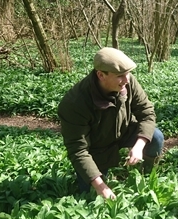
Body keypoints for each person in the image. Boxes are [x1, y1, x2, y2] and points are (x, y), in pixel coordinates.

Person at [58, 47, 164, 199]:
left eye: (128, 73)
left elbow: (147, 112)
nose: (126, 80)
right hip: (96, 148)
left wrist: (139, 146)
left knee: (156, 136)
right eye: (120, 76)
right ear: (101, 75)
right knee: (90, 196)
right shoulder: (74, 103)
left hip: (124, 130)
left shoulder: (128, 81)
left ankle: (147, 174)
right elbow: (78, 150)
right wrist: (101, 186)